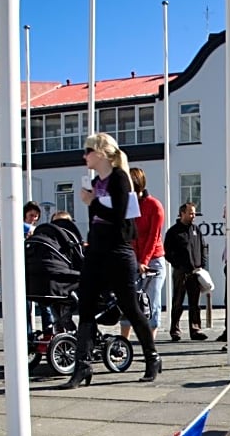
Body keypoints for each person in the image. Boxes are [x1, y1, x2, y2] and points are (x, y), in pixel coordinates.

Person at [61, 132, 161, 388]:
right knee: (85, 306)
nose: (84, 156)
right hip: (96, 251)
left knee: (130, 306)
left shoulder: (119, 178)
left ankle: (152, 357)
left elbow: (119, 216)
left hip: (118, 251)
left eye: (88, 151)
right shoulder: (96, 182)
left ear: (101, 153)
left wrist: (92, 201)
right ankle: (82, 366)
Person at [120, 168, 165, 343]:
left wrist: (144, 261)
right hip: (133, 258)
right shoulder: (128, 206)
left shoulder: (154, 206)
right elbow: (127, 234)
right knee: (127, 300)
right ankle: (123, 343)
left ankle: (149, 345)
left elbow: (154, 236)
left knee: (151, 302)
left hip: (153, 260)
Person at [164, 202, 208, 341]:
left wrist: (203, 265)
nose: (193, 216)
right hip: (181, 272)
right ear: (182, 213)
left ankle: (195, 330)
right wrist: (177, 265)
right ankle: (175, 330)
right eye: (190, 213)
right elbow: (167, 251)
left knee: (195, 303)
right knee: (177, 302)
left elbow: (203, 247)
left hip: (195, 272)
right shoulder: (173, 231)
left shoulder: (196, 230)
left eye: (194, 213)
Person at [23, 201, 53, 336]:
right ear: (25, 215)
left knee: (45, 305)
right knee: (26, 307)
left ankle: (48, 333)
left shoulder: (37, 231)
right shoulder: (22, 228)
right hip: (25, 271)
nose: (33, 218)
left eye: (36, 216)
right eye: (31, 215)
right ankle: (28, 335)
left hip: (37, 270)